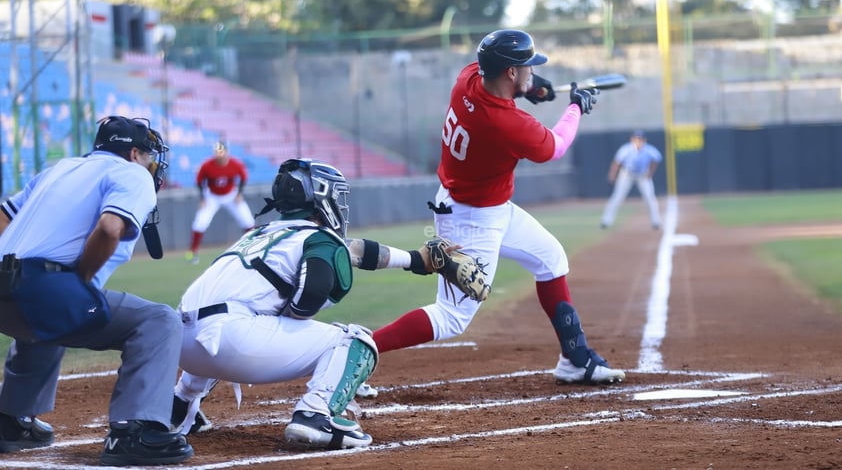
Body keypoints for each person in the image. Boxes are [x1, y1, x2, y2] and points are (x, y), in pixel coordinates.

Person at [370, 29, 626, 386]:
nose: (531, 71)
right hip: (469, 220)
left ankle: (575, 358)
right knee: (451, 318)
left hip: (488, 206)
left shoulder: (468, 78)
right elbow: (554, 146)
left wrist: (532, 88)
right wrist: (574, 108)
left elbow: (499, 81)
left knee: (550, 258)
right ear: (509, 73)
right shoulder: (506, 123)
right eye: (526, 68)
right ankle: (360, 347)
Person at [169, 158, 455, 449]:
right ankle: (316, 414)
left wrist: (415, 260)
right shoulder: (315, 238)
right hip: (233, 341)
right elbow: (312, 295)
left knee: (214, 324)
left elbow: (353, 250)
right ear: (321, 196)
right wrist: (291, 314)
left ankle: (178, 405)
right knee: (355, 340)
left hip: (182, 344)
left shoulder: (260, 234)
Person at [0, 116, 193, 466]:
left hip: (8, 282)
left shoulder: (60, 169)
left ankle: (10, 422)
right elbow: (109, 227)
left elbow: (3, 215)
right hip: (43, 288)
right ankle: (134, 432)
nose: (152, 163)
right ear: (134, 153)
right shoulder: (133, 174)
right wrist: (81, 279)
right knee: (158, 321)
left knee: (50, 321)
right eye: (149, 156)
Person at [186, 141, 255, 264]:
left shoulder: (235, 164)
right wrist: (202, 199)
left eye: (222, 152)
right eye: (217, 152)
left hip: (231, 194)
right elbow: (199, 182)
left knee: (248, 221)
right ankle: (193, 253)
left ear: (227, 152)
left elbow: (244, 178)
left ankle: (254, 249)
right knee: (200, 222)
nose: (219, 155)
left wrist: (239, 194)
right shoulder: (207, 165)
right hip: (212, 195)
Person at [600, 130, 663, 230]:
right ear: (632, 140)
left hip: (642, 174)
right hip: (627, 174)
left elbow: (657, 159)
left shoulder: (648, 149)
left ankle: (656, 222)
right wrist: (612, 175)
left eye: (641, 139)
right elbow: (616, 162)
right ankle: (606, 221)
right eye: (637, 139)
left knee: (650, 197)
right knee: (617, 197)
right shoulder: (626, 149)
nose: (639, 141)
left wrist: (650, 173)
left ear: (644, 140)